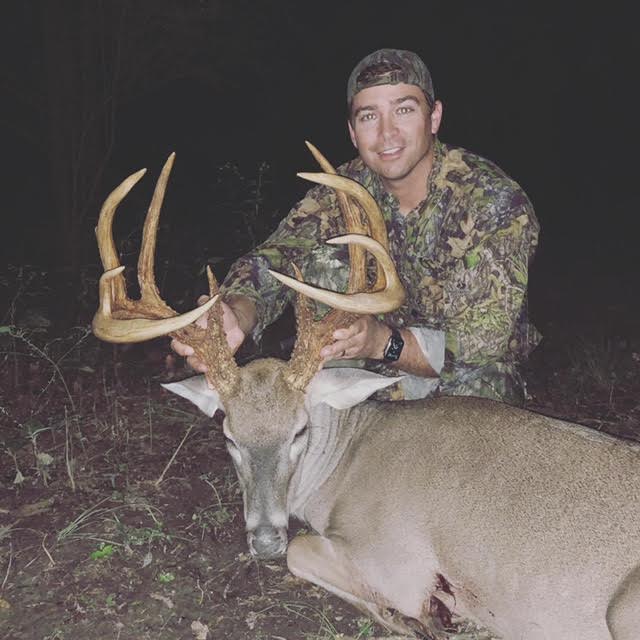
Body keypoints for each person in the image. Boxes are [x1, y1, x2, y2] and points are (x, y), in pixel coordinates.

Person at [172, 48, 540, 405]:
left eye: (404, 110)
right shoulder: (340, 192)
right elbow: (274, 261)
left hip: (459, 377)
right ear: (352, 132)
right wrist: (235, 313)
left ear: (434, 117)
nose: (387, 133)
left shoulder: (492, 200)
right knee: (321, 268)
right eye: (369, 116)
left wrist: (382, 342)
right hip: (362, 375)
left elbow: (483, 340)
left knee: (485, 389)